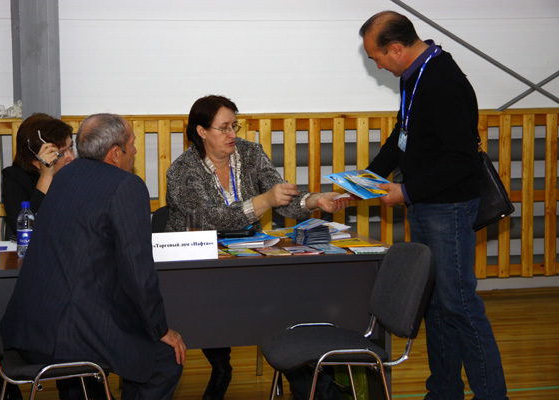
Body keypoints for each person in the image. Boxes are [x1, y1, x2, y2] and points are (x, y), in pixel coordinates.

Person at [359, 11, 508, 400]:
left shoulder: (443, 81)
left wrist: (406, 192)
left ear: (396, 48)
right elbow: (404, 134)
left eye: (377, 57)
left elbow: (461, 160)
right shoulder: (415, 75)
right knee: (437, 307)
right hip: (426, 205)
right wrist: (368, 178)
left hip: (449, 208)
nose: (378, 65)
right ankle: (444, 391)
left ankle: (493, 395)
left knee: (459, 305)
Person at [165, 95, 351, 400]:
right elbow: (210, 218)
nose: (232, 134)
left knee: (284, 306)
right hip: (199, 265)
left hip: (247, 256)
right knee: (225, 306)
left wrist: (314, 200)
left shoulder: (250, 153)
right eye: (224, 128)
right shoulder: (181, 171)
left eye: (234, 126)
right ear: (201, 131)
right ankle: (221, 365)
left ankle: (314, 387)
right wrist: (263, 201)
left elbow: (281, 199)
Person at [0, 113, 186, 400]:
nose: (135, 151)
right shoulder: (127, 185)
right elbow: (138, 273)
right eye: (132, 144)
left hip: (27, 329)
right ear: (115, 153)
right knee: (165, 355)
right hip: (70, 336)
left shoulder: (64, 176)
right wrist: (160, 329)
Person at [1, 113, 75, 239]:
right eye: (62, 153)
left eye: (71, 148)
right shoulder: (14, 178)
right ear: (36, 159)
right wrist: (46, 176)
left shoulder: (75, 174)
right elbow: (24, 227)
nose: (71, 158)